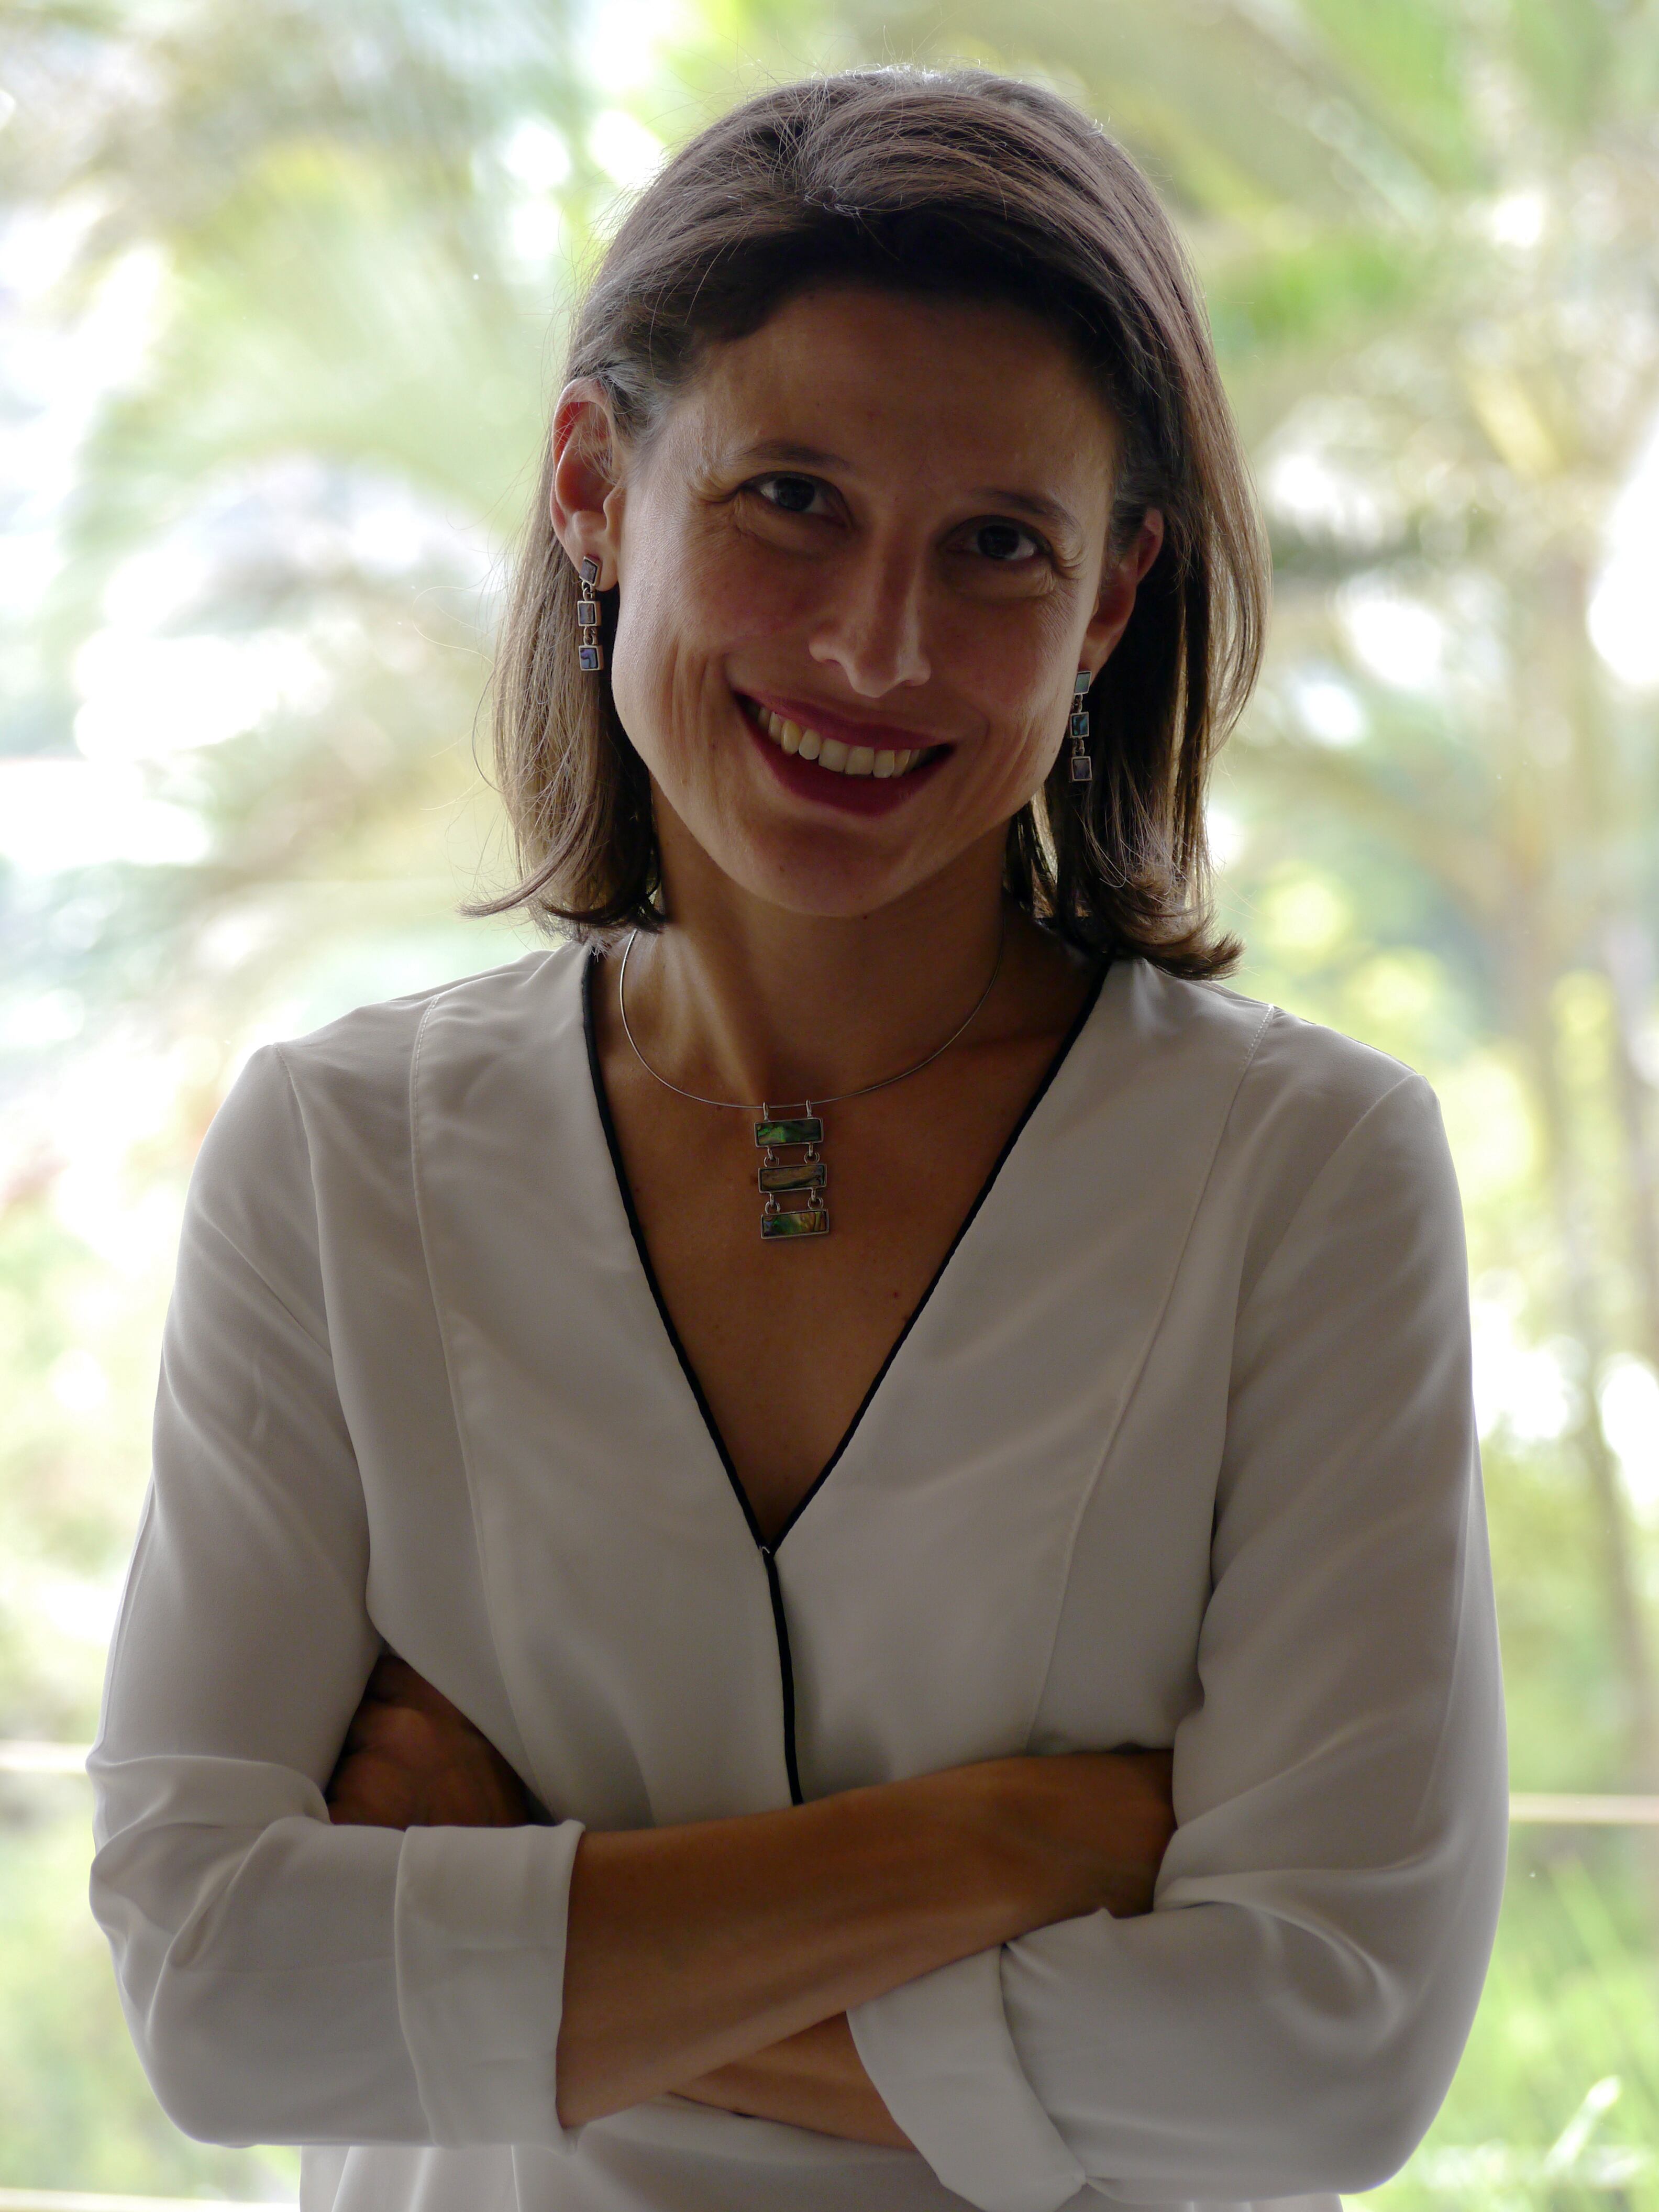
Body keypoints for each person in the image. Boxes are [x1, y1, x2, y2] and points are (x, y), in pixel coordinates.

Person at [89, 65, 1507, 2212]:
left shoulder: (1307, 1177)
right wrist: (1004, 1843)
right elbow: (216, 1999)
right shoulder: (336, 1154)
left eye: (1000, 547)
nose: (877, 645)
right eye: (791, 501)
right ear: (595, 489)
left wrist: (507, 1927)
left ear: (1110, 604)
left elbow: (1324, 2062)